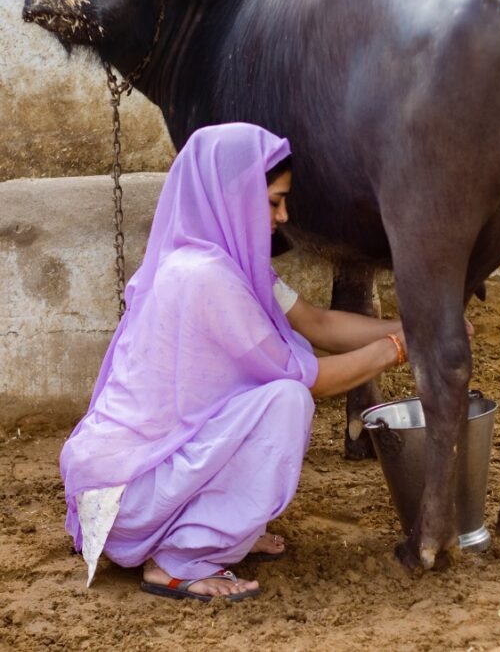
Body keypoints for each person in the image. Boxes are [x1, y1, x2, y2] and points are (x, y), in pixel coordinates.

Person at [60, 123, 410, 603]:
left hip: (126, 484)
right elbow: (315, 380)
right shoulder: (207, 279)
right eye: (272, 201)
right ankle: (179, 559)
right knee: (285, 400)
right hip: (129, 496)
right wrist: (396, 350)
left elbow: (319, 323)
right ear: (233, 196)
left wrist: (415, 327)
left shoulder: (223, 263)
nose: (283, 216)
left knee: (261, 396)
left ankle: (222, 529)